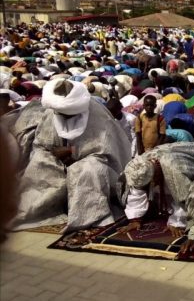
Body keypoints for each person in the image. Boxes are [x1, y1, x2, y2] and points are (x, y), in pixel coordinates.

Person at [12, 79, 131, 231]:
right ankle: (38, 211)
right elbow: (42, 141)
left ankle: (87, 216)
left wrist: (71, 152)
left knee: (89, 170)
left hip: (94, 160)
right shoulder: (52, 111)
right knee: (38, 163)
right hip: (57, 156)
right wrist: (56, 153)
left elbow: (105, 150)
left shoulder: (98, 115)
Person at [118, 143, 194, 237]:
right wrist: (135, 219)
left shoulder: (174, 169)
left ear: (154, 178)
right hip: (164, 157)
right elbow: (137, 190)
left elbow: (183, 196)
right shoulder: (139, 165)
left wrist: (176, 222)